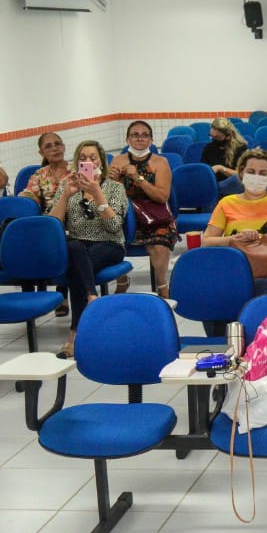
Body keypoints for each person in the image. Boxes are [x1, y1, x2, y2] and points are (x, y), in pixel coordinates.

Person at [43, 140, 129, 358]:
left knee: (76, 268)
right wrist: (66, 195)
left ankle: (73, 336)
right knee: (75, 248)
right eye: (83, 158)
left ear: (101, 161)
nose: (87, 162)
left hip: (109, 244)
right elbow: (52, 225)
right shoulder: (67, 186)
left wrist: (97, 193)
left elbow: (113, 227)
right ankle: (91, 296)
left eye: (93, 158)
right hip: (77, 245)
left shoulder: (115, 188)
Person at [203, 148, 267, 297]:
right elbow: (207, 241)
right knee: (213, 292)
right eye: (251, 171)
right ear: (241, 173)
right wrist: (234, 239)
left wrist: (259, 237)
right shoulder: (226, 202)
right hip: (236, 268)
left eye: (263, 173)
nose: (256, 177)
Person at [110, 120, 177, 299]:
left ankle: (162, 285)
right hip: (126, 215)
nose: (140, 138)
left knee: (159, 243)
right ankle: (121, 279)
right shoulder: (118, 161)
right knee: (105, 236)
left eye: (144, 135)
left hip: (155, 216)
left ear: (151, 140)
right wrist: (114, 181)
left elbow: (162, 197)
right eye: (135, 135)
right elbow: (111, 195)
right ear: (127, 139)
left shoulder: (160, 162)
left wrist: (138, 178)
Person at [200, 117, 248, 185]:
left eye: (217, 137)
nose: (214, 139)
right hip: (213, 184)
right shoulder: (209, 147)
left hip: (233, 185)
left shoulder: (240, 148)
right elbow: (203, 170)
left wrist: (221, 168)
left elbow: (241, 174)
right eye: (212, 136)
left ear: (228, 136)